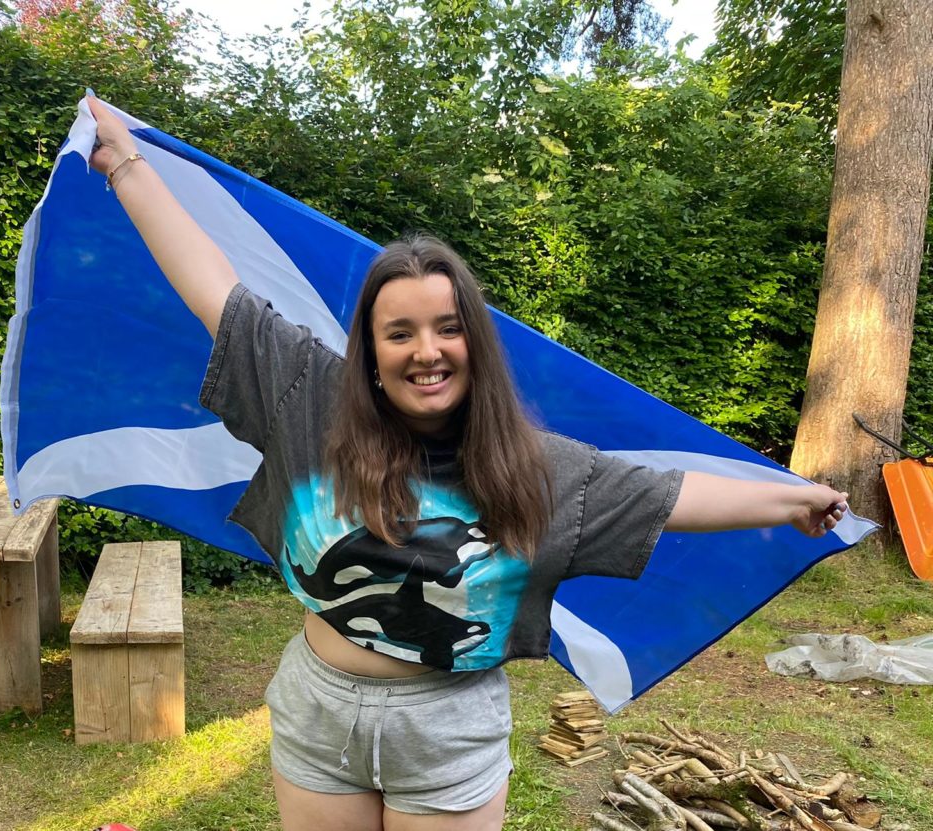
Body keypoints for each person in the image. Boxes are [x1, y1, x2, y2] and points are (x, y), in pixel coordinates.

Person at [85, 93, 849, 831]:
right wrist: (126, 166)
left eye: (447, 327)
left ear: (473, 343)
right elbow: (216, 290)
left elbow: (668, 495)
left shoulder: (539, 467)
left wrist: (790, 502)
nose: (426, 350)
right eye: (400, 332)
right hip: (319, 709)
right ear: (372, 351)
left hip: (446, 728)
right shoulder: (308, 396)